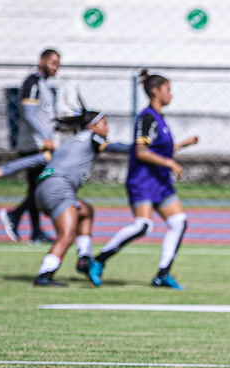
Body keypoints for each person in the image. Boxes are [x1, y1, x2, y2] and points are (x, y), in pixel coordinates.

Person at [0, 108, 131, 286]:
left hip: (42, 190)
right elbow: (115, 147)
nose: (107, 128)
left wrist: (4, 170)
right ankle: (44, 275)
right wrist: (141, 147)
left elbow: (36, 159)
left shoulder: (68, 144)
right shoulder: (93, 137)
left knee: (86, 211)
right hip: (59, 188)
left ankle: (84, 259)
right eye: (104, 123)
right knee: (66, 236)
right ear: (92, 126)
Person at [87, 70, 198, 290]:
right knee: (143, 226)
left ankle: (162, 274)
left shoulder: (160, 118)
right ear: (155, 91)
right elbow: (141, 151)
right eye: (168, 90)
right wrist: (171, 164)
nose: (171, 95)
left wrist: (183, 144)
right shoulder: (147, 117)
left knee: (179, 222)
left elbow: (160, 149)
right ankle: (98, 260)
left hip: (160, 182)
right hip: (143, 181)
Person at [0, 48, 60, 245]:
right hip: (33, 145)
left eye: (58, 63)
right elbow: (29, 114)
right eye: (53, 62)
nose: (56, 67)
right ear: (42, 60)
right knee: (40, 188)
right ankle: (14, 216)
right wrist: (44, 138)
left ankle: (35, 232)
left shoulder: (42, 84)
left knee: (36, 187)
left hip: (41, 144)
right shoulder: (32, 82)